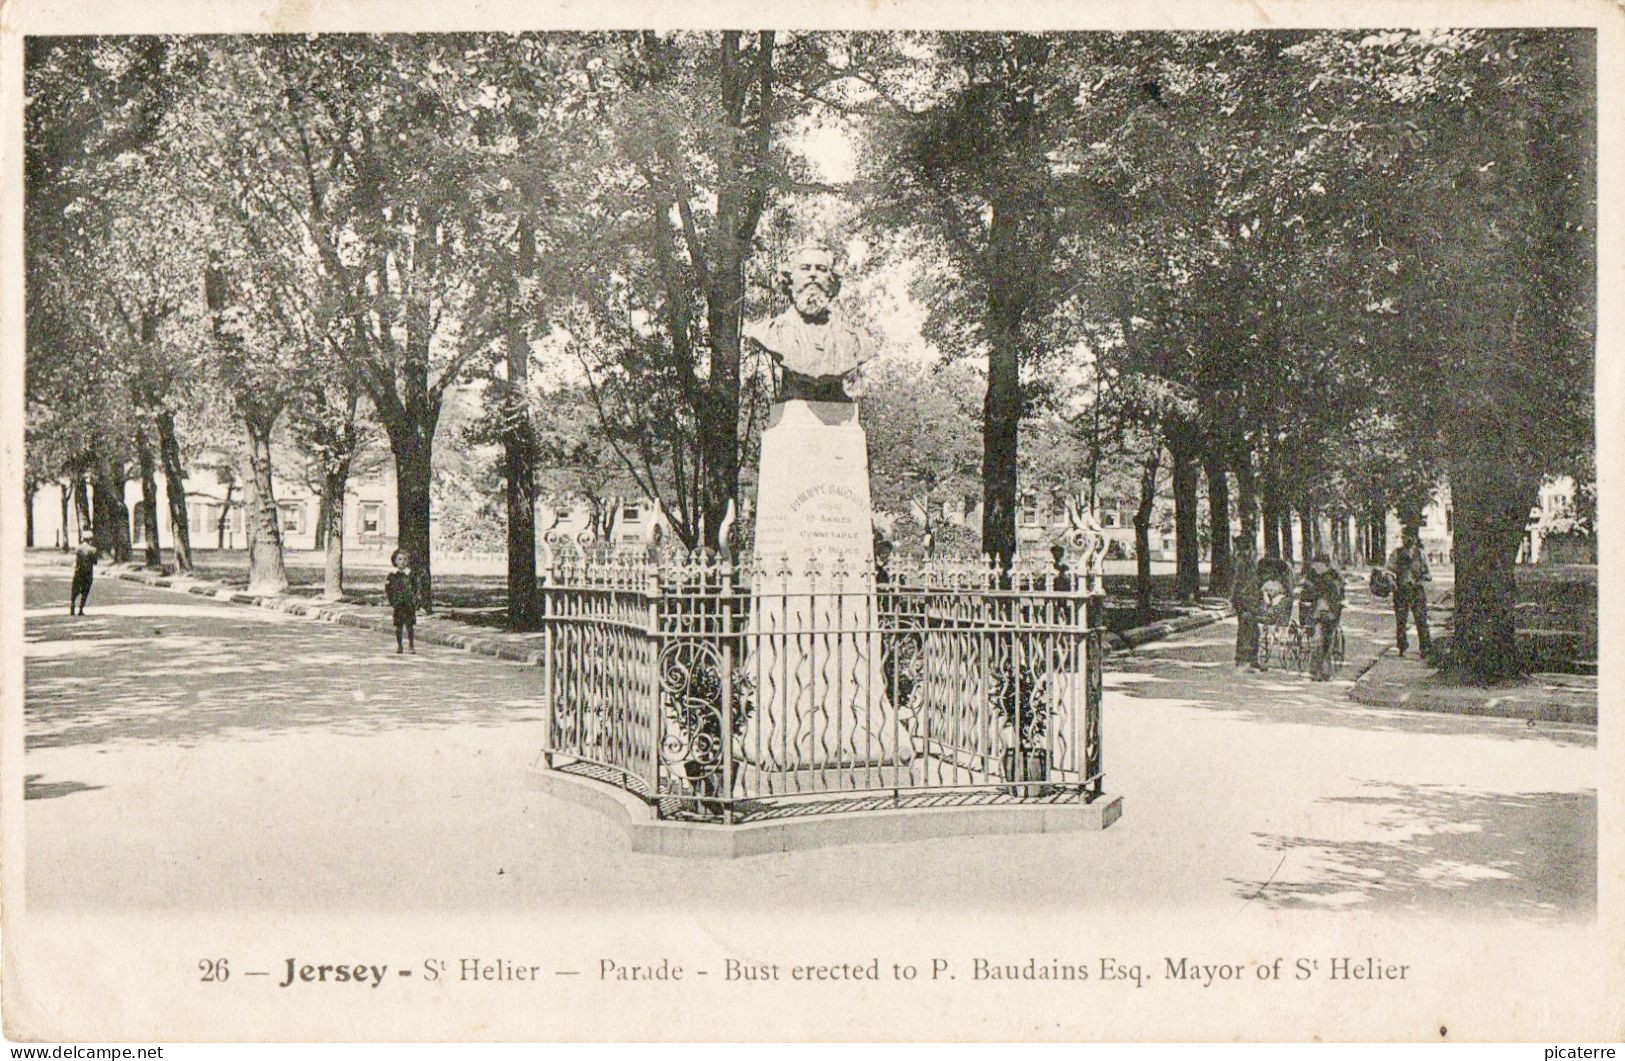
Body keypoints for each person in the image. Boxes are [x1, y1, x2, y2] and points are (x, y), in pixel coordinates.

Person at [744, 243, 873, 403]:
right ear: (789, 280)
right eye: (805, 268)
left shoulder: (854, 339)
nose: (813, 275)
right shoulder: (769, 333)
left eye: (821, 269)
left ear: (832, 281)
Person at [1298, 552, 1346, 681]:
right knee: (1320, 640)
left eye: (1319, 566)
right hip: (1315, 614)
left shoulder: (1334, 579)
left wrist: (1329, 606)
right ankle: (1321, 671)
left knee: (1321, 640)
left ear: (1326, 566)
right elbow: (1304, 596)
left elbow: (1338, 598)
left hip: (1329, 615)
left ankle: (1317, 671)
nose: (1316, 568)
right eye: (1315, 566)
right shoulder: (1312, 577)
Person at [1387, 532, 1433, 659]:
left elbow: (1428, 574)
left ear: (1414, 539)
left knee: (1421, 619)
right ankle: (1402, 646)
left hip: (1416, 591)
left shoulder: (1421, 555)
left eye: (1410, 537)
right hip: (1401, 591)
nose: (1407, 540)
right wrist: (1392, 581)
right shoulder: (1396, 553)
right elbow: (1389, 570)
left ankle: (1425, 647)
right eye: (1405, 537)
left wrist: (1419, 580)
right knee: (1401, 620)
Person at [1229, 537, 1263, 674]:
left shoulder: (1247, 562)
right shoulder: (1242, 562)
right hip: (1245, 601)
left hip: (1249, 600)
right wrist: (1236, 599)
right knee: (1248, 630)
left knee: (1252, 630)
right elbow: (1238, 582)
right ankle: (1245, 661)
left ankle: (1250, 660)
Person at [385, 549, 420, 655]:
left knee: (410, 625)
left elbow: (416, 588)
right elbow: (388, 589)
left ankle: (411, 645)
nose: (402, 562)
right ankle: (399, 645)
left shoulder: (411, 575)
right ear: (395, 561)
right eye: (399, 559)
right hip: (398, 604)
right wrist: (392, 601)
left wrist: (415, 599)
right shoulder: (392, 576)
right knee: (399, 626)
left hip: (409, 604)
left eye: (405, 559)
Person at [69, 533, 98, 616]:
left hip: (78, 571)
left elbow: (77, 561)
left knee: (75, 590)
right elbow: (95, 562)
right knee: (85, 591)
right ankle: (80, 609)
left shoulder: (78, 548)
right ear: (90, 540)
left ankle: (72, 606)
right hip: (88, 573)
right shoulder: (93, 550)